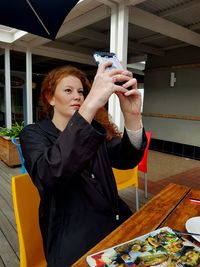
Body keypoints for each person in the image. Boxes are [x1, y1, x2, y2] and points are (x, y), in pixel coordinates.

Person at [19, 61, 147, 267]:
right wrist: (89, 106)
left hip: (116, 224)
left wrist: (132, 117)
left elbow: (126, 159)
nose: (77, 96)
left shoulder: (95, 129)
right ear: (50, 98)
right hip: (74, 238)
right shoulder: (33, 134)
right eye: (68, 90)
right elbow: (49, 173)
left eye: (81, 91)